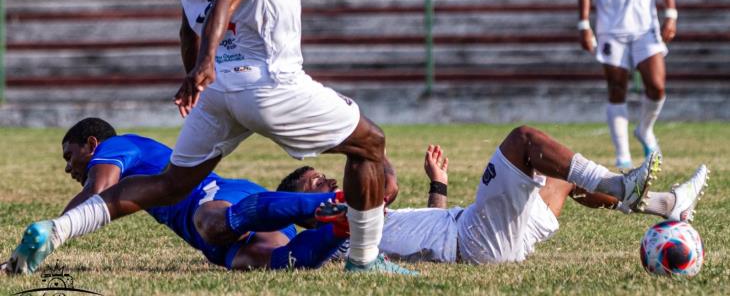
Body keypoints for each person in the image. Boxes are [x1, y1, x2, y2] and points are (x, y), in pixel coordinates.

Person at [7, 0, 409, 275]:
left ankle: (55, 231)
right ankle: (364, 260)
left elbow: (187, 27)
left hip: (221, 91)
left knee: (169, 184)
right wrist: (203, 67)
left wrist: (198, 75)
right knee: (371, 144)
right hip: (270, 83)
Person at [280, 126, 708, 264]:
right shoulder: (339, 227)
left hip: (472, 233)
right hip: (476, 242)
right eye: (314, 183)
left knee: (563, 177)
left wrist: (438, 185)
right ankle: (621, 186)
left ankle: (665, 205)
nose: (326, 183)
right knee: (523, 142)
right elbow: (387, 185)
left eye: (322, 177)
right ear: (306, 208)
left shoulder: (359, 223)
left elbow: (426, 232)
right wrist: (367, 145)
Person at [5, 118, 351, 273]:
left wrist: (55, 229)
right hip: (217, 235)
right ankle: (343, 228)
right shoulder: (134, 158)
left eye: (70, 156)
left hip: (218, 197)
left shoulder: (115, 146)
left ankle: (332, 203)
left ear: (92, 145)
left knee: (212, 223)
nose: (69, 167)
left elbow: (100, 190)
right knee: (263, 261)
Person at [577, 0, 677, 169]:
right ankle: (622, 155)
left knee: (656, 86)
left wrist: (671, 14)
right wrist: (584, 24)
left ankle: (645, 130)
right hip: (610, 29)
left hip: (646, 28)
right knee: (617, 88)